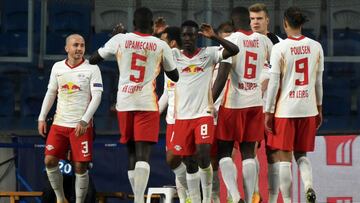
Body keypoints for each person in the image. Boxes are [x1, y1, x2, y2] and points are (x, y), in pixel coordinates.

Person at [89, 7, 179, 203]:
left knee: (130, 150)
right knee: (143, 153)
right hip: (147, 103)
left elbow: (94, 59)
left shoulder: (121, 39)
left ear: (134, 23)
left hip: (125, 102)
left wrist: (114, 38)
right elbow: (175, 76)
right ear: (152, 24)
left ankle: (136, 198)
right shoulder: (160, 44)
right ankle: (139, 199)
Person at [171, 20, 238, 203]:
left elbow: (234, 50)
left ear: (197, 36)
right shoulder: (174, 55)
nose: (187, 38)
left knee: (203, 155)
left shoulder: (208, 54)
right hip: (182, 117)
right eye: (184, 35)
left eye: (191, 35)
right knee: (189, 162)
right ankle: (194, 198)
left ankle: (207, 199)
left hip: (203, 114)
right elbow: (152, 53)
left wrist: (215, 37)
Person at [212, 6, 272, 203]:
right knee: (248, 153)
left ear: (232, 21)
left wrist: (209, 101)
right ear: (248, 19)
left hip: (233, 104)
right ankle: (250, 196)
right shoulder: (264, 40)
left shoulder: (231, 41)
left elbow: (221, 78)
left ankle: (235, 195)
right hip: (255, 103)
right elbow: (273, 68)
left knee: (224, 151)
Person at [264, 6, 323, 203]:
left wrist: (268, 111)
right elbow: (318, 82)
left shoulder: (279, 48)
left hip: (285, 109)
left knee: (284, 158)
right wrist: (319, 107)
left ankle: (288, 200)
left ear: (285, 24)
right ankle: (308, 186)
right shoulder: (316, 46)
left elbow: (273, 84)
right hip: (308, 108)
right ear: (302, 24)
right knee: (301, 154)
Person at [38, 34, 103, 203]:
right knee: (49, 160)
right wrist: (41, 117)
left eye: (82, 45)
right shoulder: (57, 67)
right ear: (67, 48)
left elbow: (97, 97)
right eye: (75, 45)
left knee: (80, 166)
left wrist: (84, 120)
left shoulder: (92, 69)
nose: (79, 49)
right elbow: (51, 93)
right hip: (59, 124)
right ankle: (61, 199)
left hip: (80, 126)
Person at [248, 3, 282, 203]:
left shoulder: (278, 42)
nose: (255, 22)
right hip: (251, 105)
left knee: (273, 153)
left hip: (274, 106)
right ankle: (255, 196)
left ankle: (272, 198)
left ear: (267, 20)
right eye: (252, 18)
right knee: (250, 150)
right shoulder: (244, 41)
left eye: (259, 18)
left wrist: (267, 81)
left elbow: (283, 72)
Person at [158, 26, 191, 203]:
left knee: (189, 161)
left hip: (190, 118)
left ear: (171, 43)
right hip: (172, 120)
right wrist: (153, 112)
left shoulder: (187, 60)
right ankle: (189, 198)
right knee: (174, 161)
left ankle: (198, 196)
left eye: (162, 41)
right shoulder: (167, 63)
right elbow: (166, 93)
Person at [210, 21, 235, 203]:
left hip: (230, 111)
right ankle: (215, 197)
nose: (228, 36)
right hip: (212, 111)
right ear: (218, 34)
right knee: (212, 160)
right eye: (225, 33)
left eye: (230, 33)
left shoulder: (238, 53)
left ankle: (234, 196)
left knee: (229, 155)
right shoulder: (212, 55)